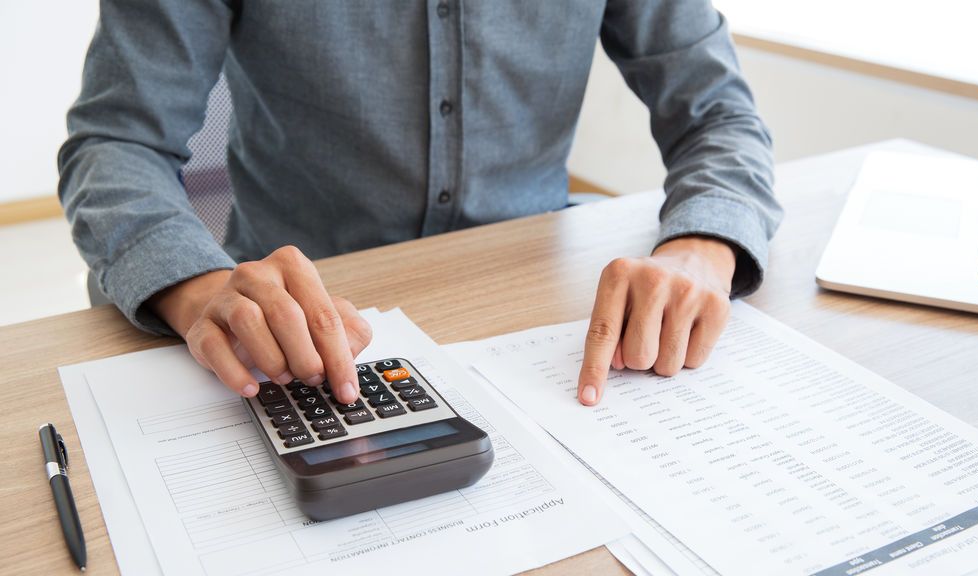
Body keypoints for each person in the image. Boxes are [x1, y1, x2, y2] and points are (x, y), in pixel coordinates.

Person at [58, 1, 782, 408]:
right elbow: (116, 140)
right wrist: (197, 288)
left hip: (535, 322)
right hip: (293, 324)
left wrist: (704, 243)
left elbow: (719, 115)